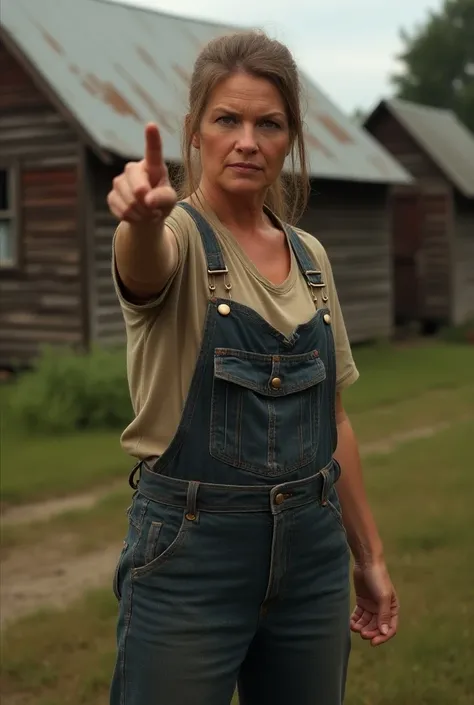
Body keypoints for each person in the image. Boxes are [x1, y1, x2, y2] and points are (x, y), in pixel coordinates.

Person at [107, 29, 398, 705]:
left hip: (314, 555)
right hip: (190, 556)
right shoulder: (174, 235)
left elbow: (335, 419)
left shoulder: (311, 257)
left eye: (268, 123)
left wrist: (370, 556)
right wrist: (141, 220)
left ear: (289, 137)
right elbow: (142, 264)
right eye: (227, 119)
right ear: (195, 130)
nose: (247, 140)